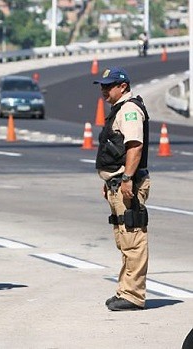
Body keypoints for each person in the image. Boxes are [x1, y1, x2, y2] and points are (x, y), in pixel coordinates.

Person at [93, 67, 151, 311]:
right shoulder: (118, 109)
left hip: (128, 183)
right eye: (103, 86)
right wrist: (110, 183)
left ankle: (134, 295)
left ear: (123, 86)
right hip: (117, 183)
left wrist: (126, 178)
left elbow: (134, 147)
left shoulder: (129, 110)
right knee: (124, 238)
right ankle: (125, 290)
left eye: (109, 86)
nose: (104, 90)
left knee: (133, 237)